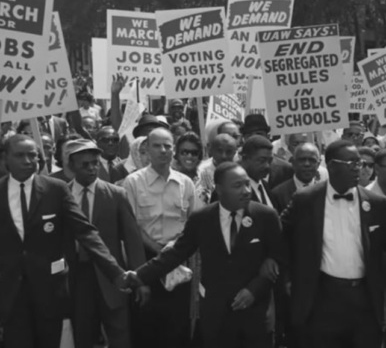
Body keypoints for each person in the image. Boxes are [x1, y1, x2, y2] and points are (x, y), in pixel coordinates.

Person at [126, 162, 283, 348]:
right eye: (237, 186)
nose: (246, 191)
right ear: (219, 189)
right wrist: (140, 275)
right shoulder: (202, 219)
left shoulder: (266, 216)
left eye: (247, 184)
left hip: (254, 313)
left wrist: (254, 290)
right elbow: (176, 253)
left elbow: (279, 258)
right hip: (216, 315)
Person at [0, 134, 131, 348]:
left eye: (32, 155)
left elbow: (86, 232)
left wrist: (115, 272)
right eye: (20, 155)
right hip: (11, 294)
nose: (27, 161)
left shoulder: (55, 190)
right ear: (5, 158)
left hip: (50, 292)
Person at [281, 139, 386, 348]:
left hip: (364, 298)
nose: (359, 168)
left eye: (361, 163)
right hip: (323, 297)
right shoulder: (306, 200)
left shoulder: (376, 204)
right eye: (352, 163)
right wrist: (288, 277)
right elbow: (282, 237)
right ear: (330, 165)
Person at [67, 139, 149, 348]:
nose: (92, 168)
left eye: (95, 162)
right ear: (71, 166)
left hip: (113, 278)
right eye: (84, 164)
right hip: (77, 278)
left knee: (120, 336)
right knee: (83, 336)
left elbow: (132, 241)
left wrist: (140, 279)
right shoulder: (61, 195)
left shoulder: (116, 194)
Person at [123, 128, 195, 348]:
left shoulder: (186, 183)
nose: (163, 150)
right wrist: (158, 252)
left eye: (168, 146)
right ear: (147, 149)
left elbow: (191, 225)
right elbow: (132, 227)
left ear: (173, 150)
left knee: (177, 329)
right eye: (157, 146)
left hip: (178, 264)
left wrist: (175, 252)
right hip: (146, 261)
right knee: (146, 329)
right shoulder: (133, 182)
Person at [241, 114, 293, 189]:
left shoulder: (286, 169)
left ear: (268, 137)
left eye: (259, 134)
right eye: (249, 135)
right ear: (244, 139)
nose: (254, 138)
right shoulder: (235, 171)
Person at [272, 143, 321, 213]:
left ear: (318, 164)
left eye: (312, 160)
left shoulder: (325, 192)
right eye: (302, 160)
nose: (307, 164)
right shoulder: (278, 194)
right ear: (293, 163)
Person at [196, 134, 238, 204]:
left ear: (234, 152)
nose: (224, 156)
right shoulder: (201, 171)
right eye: (220, 151)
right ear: (211, 150)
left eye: (229, 152)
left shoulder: (239, 171)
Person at [239, 135, 275, 208]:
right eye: (262, 161)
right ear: (245, 159)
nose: (267, 166)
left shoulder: (266, 186)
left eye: (270, 161)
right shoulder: (233, 190)